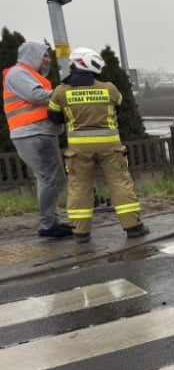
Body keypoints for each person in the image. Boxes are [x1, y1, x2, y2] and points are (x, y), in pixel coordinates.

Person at [46, 47, 148, 244]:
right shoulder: (108, 88)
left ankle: (81, 232)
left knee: (79, 187)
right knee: (119, 183)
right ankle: (133, 227)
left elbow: (54, 117)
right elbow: (118, 105)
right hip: (110, 146)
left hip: (79, 150)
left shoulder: (61, 91)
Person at [3, 41, 73, 239]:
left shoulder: (28, 75)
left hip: (39, 132)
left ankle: (51, 222)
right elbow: (34, 95)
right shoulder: (18, 73)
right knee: (50, 178)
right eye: (45, 56)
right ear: (32, 55)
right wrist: (65, 92)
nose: (48, 60)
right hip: (31, 133)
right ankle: (48, 225)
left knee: (52, 178)